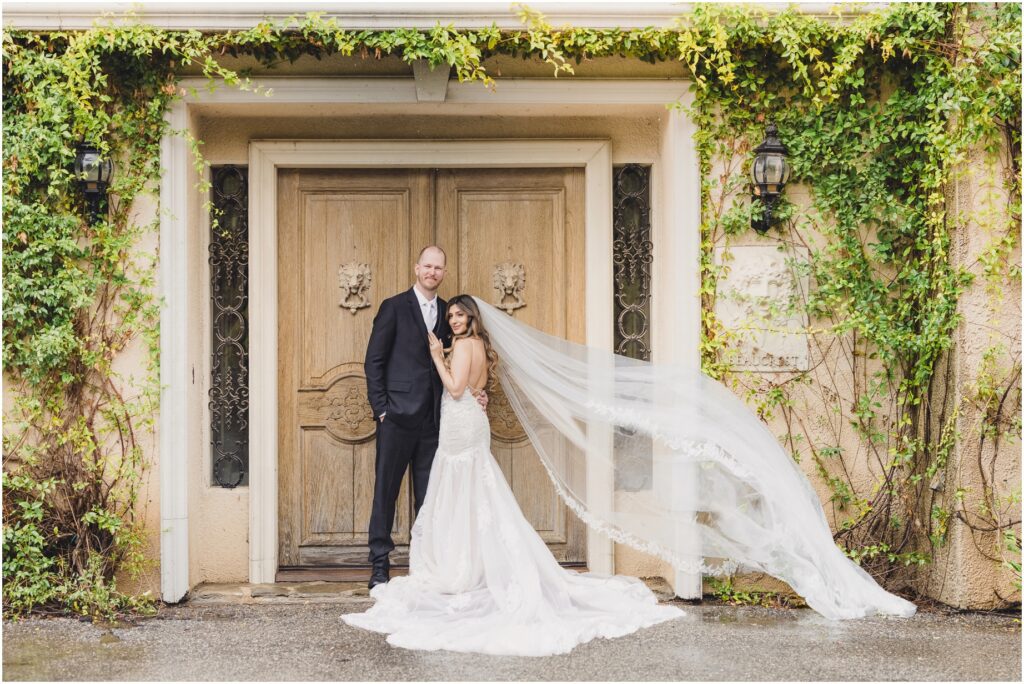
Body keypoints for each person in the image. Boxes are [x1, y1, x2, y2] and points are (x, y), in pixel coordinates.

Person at [344, 295, 685, 656]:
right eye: (450, 316)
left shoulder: (461, 346)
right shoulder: (479, 346)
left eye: (459, 315)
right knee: (474, 491)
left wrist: (435, 355)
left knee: (458, 490)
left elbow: (456, 389)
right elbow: (476, 388)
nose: (453, 320)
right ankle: (470, 560)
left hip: (460, 424)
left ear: (471, 317)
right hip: (471, 422)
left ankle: (460, 564)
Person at [363, 246, 460, 589]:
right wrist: (382, 409)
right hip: (397, 418)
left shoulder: (450, 312)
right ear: (417, 268)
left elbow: (455, 359)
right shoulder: (393, 307)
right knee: (385, 493)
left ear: (444, 272)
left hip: (433, 422)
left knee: (429, 496)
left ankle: (425, 565)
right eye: (427, 266)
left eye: (438, 267)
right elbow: (374, 360)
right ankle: (379, 566)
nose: (432, 272)